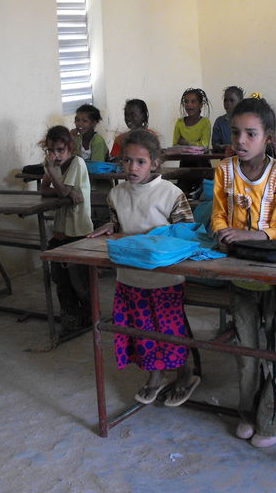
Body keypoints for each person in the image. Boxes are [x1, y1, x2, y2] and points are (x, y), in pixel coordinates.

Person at [89, 129, 200, 407]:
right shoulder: (116, 194)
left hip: (165, 278)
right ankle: (155, 377)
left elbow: (188, 235)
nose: (132, 167)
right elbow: (119, 223)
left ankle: (186, 375)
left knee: (169, 331)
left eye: (140, 162)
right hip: (129, 275)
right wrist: (111, 227)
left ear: (155, 163)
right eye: (127, 161)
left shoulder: (170, 194)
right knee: (142, 330)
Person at [211, 96, 276, 448]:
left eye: (251, 133)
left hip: (274, 275)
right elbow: (216, 214)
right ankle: (247, 412)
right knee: (247, 351)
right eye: (236, 133)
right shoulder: (224, 171)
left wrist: (252, 234)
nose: (241, 141)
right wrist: (220, 230)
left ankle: (272, 420)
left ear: (268, 137)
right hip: (239, 271)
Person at [40, 126, 93, 331]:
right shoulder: (52, 164)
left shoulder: (77, 163)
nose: (56, 155)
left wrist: (57, 182)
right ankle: (71, 316)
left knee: (80, 282)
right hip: (60, 232)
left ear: (70, 148)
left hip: (78, 233)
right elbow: (45, 190)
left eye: (60, 150)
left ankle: (90, 314)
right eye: (51, 150)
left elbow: (60, 192)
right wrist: (63, 190)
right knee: (61, 280)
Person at [173, 87, 212, 195]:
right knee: (182, 193)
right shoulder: (180, 122)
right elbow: (175, 145)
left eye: (193, 102)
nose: (189, 105)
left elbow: (204, 145)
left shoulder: (205, 123)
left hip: (201, 164)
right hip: (185, 164)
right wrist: (195, 145)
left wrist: (186, 143)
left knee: (201, 194)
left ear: (200, 105)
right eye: (186, 102)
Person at [212, 85, 244, 152]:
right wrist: (224, 147)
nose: (228, 103)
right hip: (226, 159)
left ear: (240, 102)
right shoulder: (219, 121)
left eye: (231, 100)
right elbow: (215, 144)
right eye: (225, 100)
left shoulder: (246, 120)